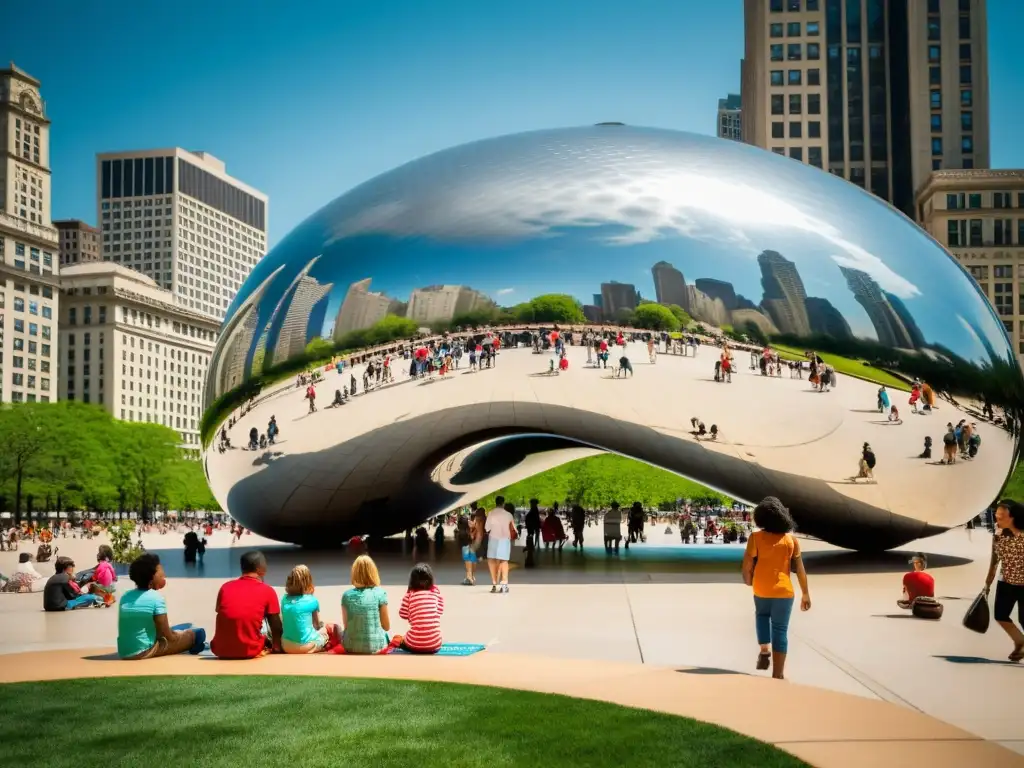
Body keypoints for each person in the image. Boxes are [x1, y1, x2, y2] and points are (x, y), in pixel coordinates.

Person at [741, 497, 811, 680]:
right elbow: (800, 570)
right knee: (780, 630)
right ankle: (777, 674)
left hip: (761, 588)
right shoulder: (791, 541)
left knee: (761, 616)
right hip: (784, 591)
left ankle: (764, 649)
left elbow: (747, 564)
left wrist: (748, 580)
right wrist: (805, 593)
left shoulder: (755, 538)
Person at [117, 553, 206, 659]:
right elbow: (166, 636)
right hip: (144, 651)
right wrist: (181, 636)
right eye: (161, 573)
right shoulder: (156, 597)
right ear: (152, 578)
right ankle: (195, 644)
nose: (164, 575)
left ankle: (195, 645)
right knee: (199, 633)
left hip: (124, 651)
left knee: (184, 626)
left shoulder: (125, 596)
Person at [210, 551, 283, 659]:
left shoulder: (225, 587)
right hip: (249, 650)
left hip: (220, 649)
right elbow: (276, 626)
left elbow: (221, 612)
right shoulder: (268, 591)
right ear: (259, 569)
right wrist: (276, 647)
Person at [984, 500, 1024, 661]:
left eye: (1001, 517)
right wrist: (987, 583)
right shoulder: (998, 536)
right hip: (1006, 582)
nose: (997, 519)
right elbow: (995, 561)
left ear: (1013, 518)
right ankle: (1020, 642)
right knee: (1000, 615)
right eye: (996, 516)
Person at [281, 564, 339, 654]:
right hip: (306, 646)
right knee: (329, 628)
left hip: (286, 646)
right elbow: (316, 625)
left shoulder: (284, 599)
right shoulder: (312, 600)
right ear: (308, 581)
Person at [341, 555, 391, 653]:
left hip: (351, 646)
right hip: (377, 646)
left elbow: (347, 626)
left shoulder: (346, 595)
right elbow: (386, 626)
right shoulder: (380, 593)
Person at [398, 563, 445, 654]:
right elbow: (439, 611)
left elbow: (403, 614)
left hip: (414, 643)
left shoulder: (410, 594)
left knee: (402, 638)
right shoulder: (435, 591)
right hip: (435, 643)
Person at [484, 498, 517, 593]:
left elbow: (487, 528)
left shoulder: (491, 513)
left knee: (491, 561)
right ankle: (504, 584)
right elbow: (513, 529)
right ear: (503, 503)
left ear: (496, 503)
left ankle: (494, 584)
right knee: (504, 561)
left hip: (493, 539)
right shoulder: (508, 515)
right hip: (504, 540)